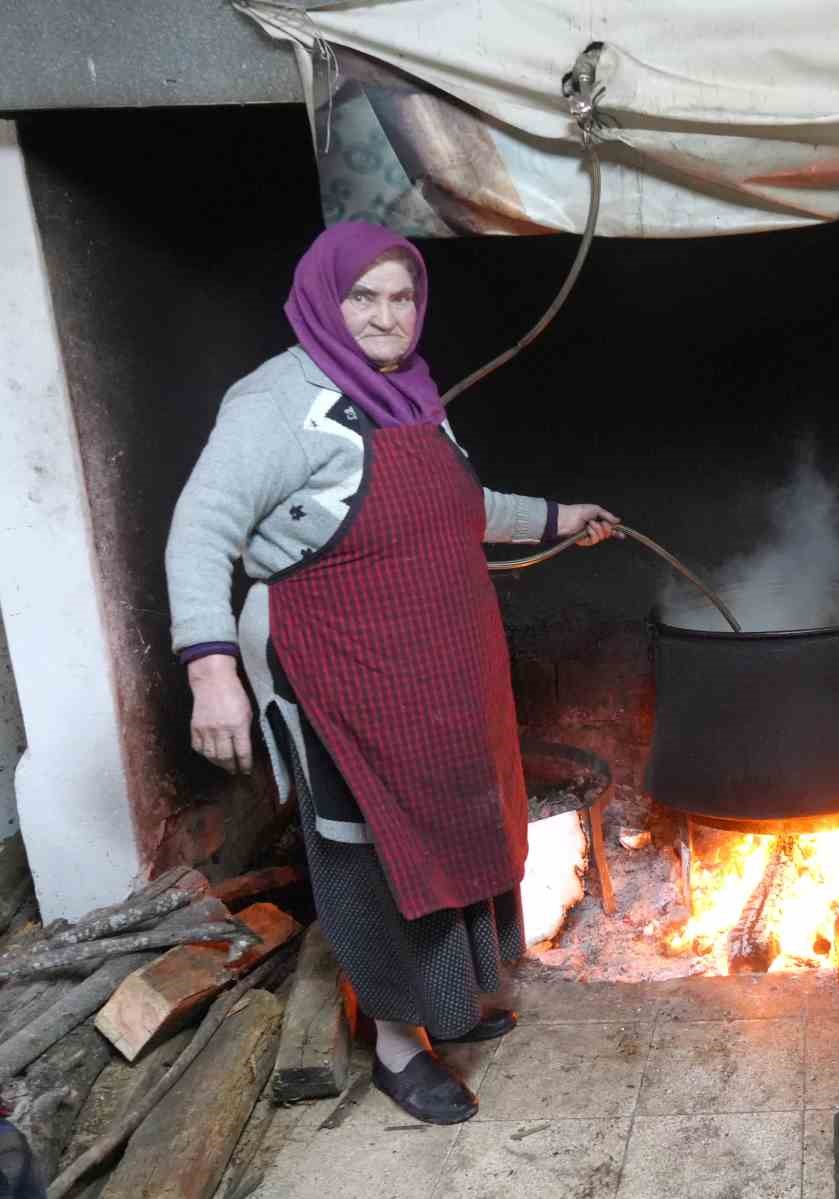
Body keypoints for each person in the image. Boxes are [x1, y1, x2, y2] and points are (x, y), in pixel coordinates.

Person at [165, 221, 618, 1125]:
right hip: (339, 670)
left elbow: (458, 504)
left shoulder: (408, 391)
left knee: (451, 825)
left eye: (401, 297)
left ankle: (451, 1003)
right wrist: (210, 668)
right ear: (325, 301)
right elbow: (199, 527)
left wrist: (558, 516)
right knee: (372, 850)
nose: (385, 315)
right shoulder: (272, 402)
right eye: (362, 297)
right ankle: (397, 1047)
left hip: (437, 665)